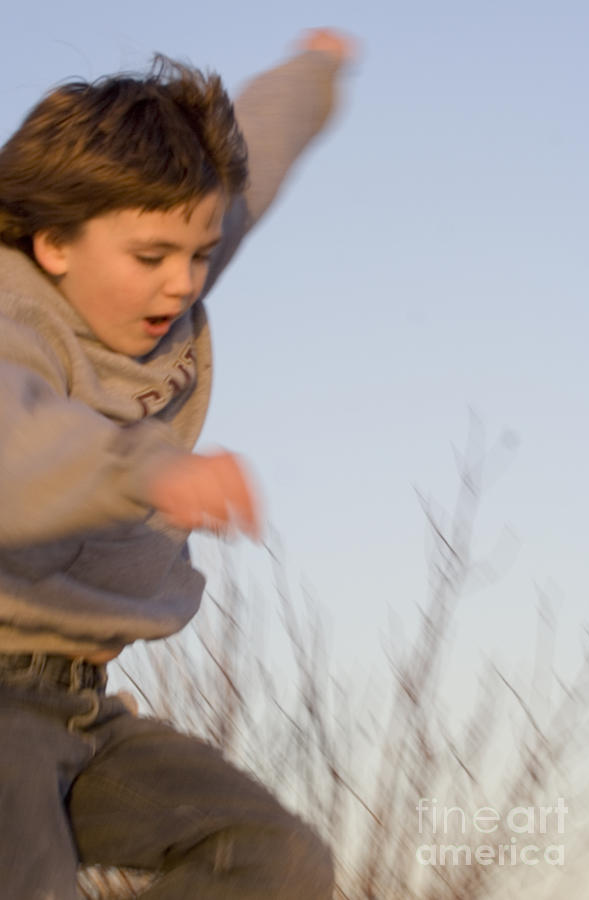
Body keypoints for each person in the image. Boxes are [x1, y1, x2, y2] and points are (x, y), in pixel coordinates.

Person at [0, 29, 353, 899]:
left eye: (198, 256)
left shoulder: (159, 262)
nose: (182, 285)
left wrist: (315, 70)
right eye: (153, 259)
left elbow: (253, 158)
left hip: (81, 707)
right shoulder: (14, 320)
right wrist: (145, 471)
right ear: (54, 244)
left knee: (273, 857)